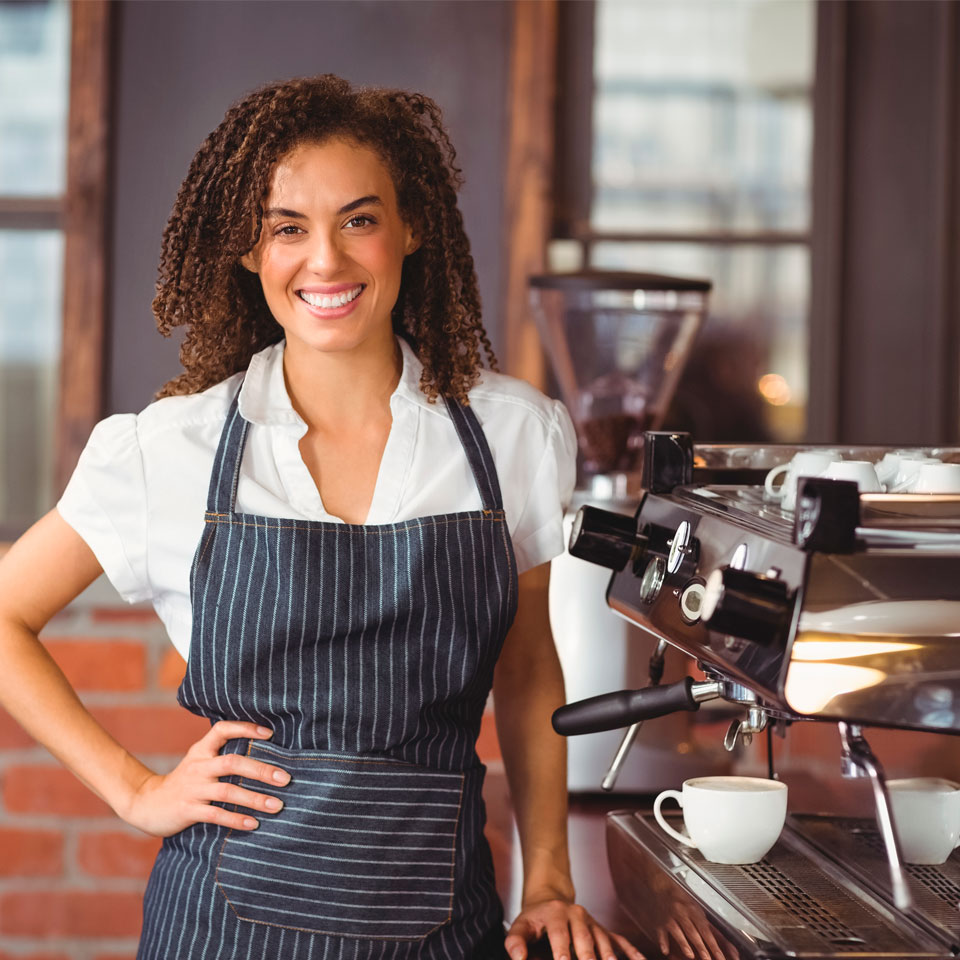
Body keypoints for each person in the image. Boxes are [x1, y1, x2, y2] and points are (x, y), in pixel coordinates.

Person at [0, 75, 644, 960]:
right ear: (247, 250)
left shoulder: (511, 434)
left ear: (410, 227)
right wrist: (132, 791)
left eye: (359, 219)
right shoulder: (167, 448)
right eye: (287, 228)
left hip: (440, 927)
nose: (327, 262)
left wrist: (549, 882)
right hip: (219, 933)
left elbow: (529, 669)